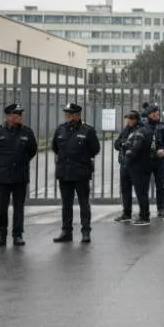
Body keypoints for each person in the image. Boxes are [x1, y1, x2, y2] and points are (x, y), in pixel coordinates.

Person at [0, 103, 38, 247]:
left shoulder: (27, 132)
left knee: (18, 207)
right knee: (2, 207)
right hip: (2, 176)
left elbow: (32, 150)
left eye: (20, 115)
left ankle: (18, 235)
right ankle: (1, 235)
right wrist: (2, 162)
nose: (19, 118)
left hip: (20, 175)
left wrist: (21, 161)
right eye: (16, 116)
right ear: (8, 117)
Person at [51, 102, 100, 244]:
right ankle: (66, 231)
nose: (67, 116)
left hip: (81, 173)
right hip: (65, 173)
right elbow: (55, 147)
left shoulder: (87, 131)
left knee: (84, 204)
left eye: (70, 114)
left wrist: (82, 158)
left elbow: (95, 149)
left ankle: (86, 231)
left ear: (77, 115)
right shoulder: (60, 130)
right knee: (66, 204)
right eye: (66, 114)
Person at [144, 105, 164, 219]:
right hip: (146, 160)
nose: (156, 114)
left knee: (160, 186)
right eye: (153, 113)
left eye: (157, 113)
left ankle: (161, 209)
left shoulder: (163, 126)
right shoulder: (143, 127)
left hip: (159, 160)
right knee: (144, 186)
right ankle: (144, 211)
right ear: (148, 115)